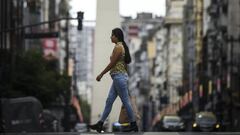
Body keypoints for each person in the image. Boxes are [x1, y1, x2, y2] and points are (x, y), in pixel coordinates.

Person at [88, 28, 138, 132]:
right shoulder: (120, 47)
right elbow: (124, 65)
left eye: (112, 35)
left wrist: (101, 74)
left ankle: (133, 124)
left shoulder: (119, 48)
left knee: (125, 101)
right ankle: (100, 124)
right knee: (109, 101)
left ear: (116, 36)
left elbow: (112, 64)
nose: (110, 37)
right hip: (118, 77)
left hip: (119, 77)